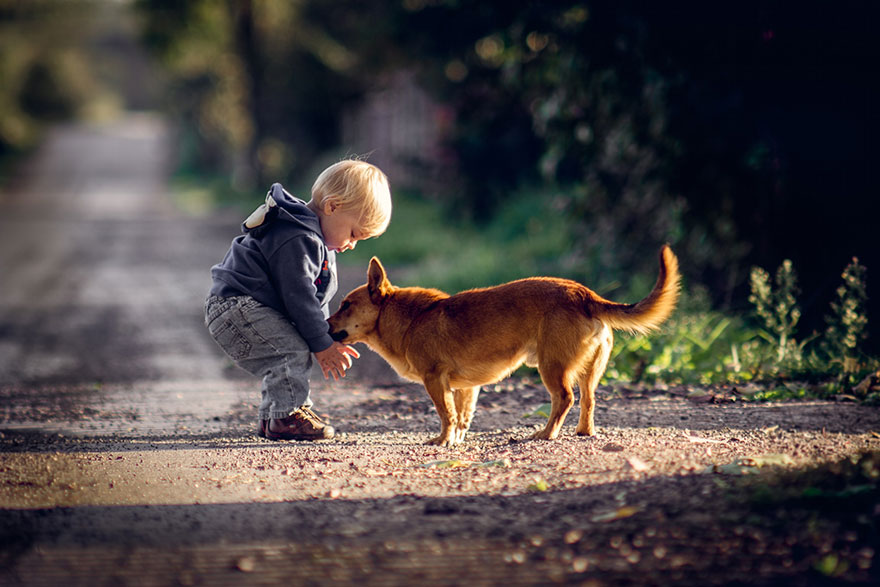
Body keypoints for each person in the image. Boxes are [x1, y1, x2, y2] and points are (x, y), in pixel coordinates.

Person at [204, 160, 392, 441]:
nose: (352, 244)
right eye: (354, 233)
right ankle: (287, 415)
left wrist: (329, 335)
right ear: (332, 206)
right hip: (236, 307)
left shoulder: (317, 241)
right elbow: (299, 298)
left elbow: (317, 299)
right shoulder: (298, 237)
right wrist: (321, 345)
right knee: (289, 351)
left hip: (244, 308)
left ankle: (275, 416)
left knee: (290, 349)